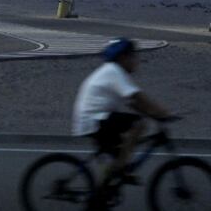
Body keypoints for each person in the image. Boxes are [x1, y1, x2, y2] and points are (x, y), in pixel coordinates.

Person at [72, 37, 171, 186]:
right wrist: (162, 112)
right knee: (138, 125)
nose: (136, 60)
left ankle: (105, 186)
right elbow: (138, 96)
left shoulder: (114, 72)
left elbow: (133, 103)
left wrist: (152, 114)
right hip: (94, 119)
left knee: (121, 151)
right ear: (122, 57)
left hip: (94, 119)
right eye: (133, 56)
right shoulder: (114, 71)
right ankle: (119, 169)